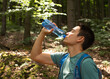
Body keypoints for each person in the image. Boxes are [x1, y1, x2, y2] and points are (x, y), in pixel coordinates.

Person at [30, 24, 99, 79]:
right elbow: (36, 56)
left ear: (80, 38)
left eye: (72, 31)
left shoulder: (86, 63)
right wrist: (42, 33)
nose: (67, 33)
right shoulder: (63, 58)